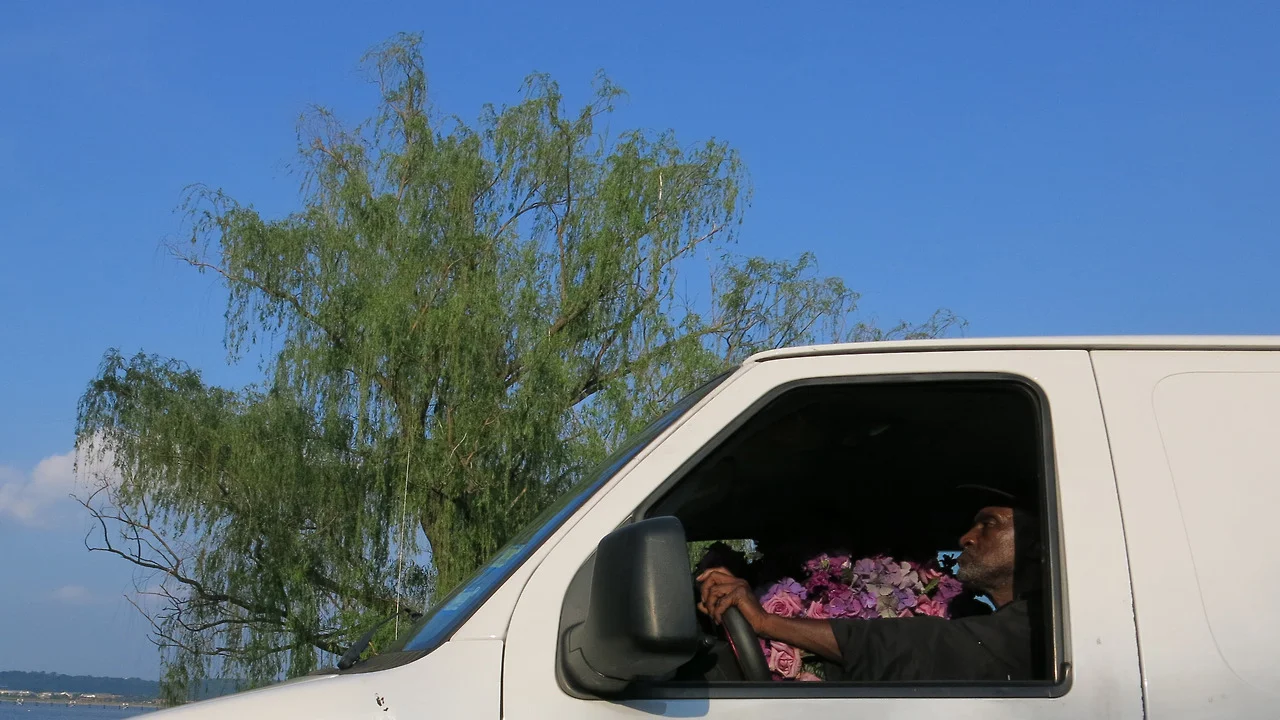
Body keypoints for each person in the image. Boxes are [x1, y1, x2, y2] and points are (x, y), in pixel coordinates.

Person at [696, 487, 1045, 682]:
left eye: (989, 524)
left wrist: (765, 622)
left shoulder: (1038, 625)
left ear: (1039, 544)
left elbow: (918, 645)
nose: (965, 538)